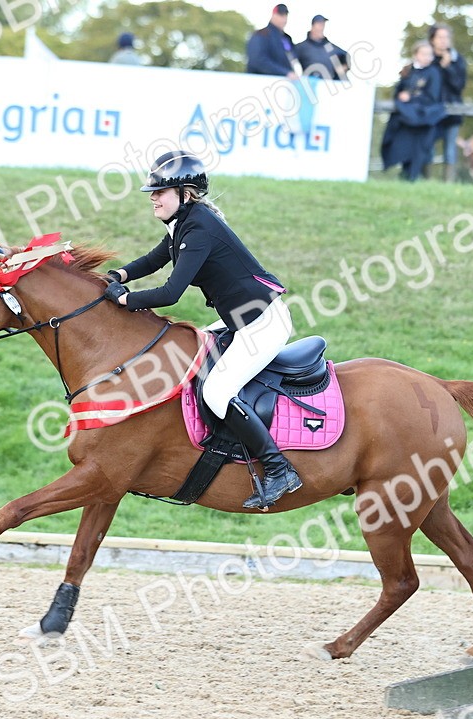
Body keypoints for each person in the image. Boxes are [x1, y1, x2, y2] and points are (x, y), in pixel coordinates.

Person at [103, 152, 301, 510]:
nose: (152, 197)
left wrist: (125, 300)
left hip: (262, 322)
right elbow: (155, 258)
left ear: (186, 193)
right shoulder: (187, 222)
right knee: (189, 358)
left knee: (217, 391)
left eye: (160, 192)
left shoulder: (199, 228)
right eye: (153, 191)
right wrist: (119, 275)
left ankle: (278, 469)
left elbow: (170, 293)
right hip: (240, 317)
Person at [380, 42, 445, 181]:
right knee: (402, 147)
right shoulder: (408, 71)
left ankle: (414, 177)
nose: (427, 57)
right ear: (416, 55)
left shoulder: (433, 72)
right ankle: (404, 175)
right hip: (405, 119)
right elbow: (398, 91)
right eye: (424, 54)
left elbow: (433, 97)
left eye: (429, 54)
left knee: (418, 152)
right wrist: (402, 96)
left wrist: (412, 97)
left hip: (422, 119)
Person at [428, 23, 467, 182]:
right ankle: (426, 182)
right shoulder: (427, 59)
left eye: (446, 37)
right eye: (440, 37)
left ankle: (448, 183)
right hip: (431, 112)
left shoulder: (458, 60)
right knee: (427, 147)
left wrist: (448, 67)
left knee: (450, 150)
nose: (444, 41)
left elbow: (459, 85)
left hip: (453, 112)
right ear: (432, 40)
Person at [246, 4, 297, 78]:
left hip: (284, 84)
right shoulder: (261, 34)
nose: (284, 19)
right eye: (281, 15)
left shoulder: (287, 38)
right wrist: (285, 73)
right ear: (273, 15)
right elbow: (257, 61)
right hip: (262, 83)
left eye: (285, 15)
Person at [294, 14, 348, 81]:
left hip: (329, 85)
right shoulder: (302, 47)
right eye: (319, 24)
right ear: (313, 26)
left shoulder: (329, 46)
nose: (321, 27)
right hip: (310, 85)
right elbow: (289, 59)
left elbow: (345, 55)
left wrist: (344, 67)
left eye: (323, 24)